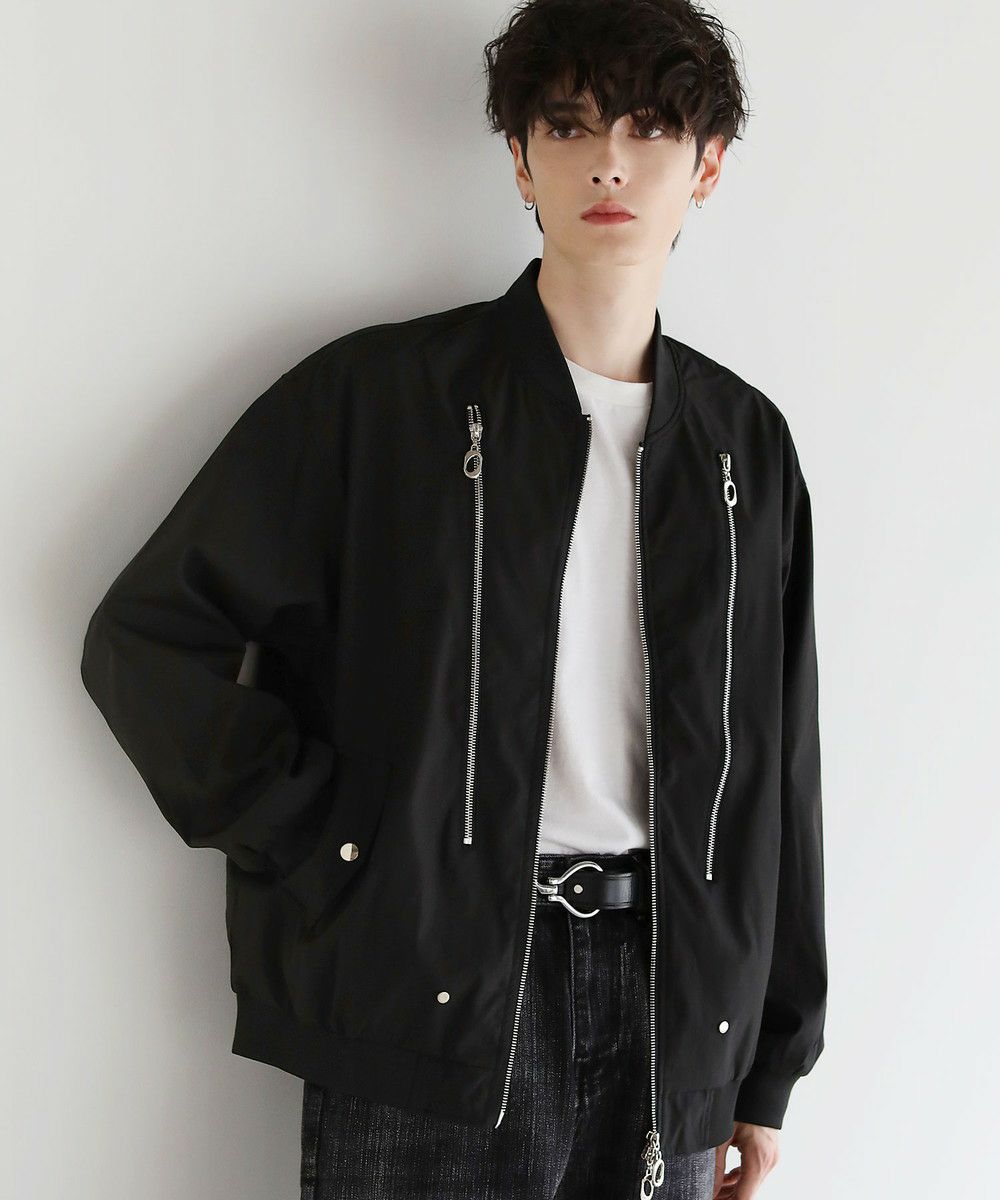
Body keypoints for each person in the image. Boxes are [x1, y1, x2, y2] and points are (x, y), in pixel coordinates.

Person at [79, 1, 827, 1197]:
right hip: (428, 995)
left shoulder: (745, 448)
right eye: (569, 126)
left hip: (673, 1015)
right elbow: (150, 635)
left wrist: (767, 1062)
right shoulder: (379, 402)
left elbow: (777, 766)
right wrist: (333, 842)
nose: (609, 162)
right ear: (521, 161)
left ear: (708, 166)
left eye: (649, 127)